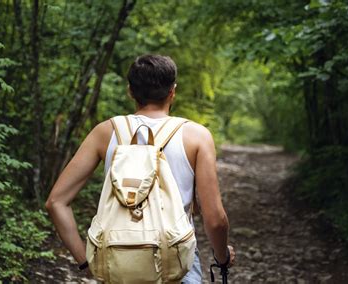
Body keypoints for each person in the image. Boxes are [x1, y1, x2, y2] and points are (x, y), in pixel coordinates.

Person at [45, 54, 235, 282]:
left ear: (130, 91)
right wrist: (222, 257)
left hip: (118, 265)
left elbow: (56, 202)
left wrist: (87, 262)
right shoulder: (196, 136)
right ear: (172, 91)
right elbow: (215, 219)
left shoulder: (105, 132)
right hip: (176, 263)